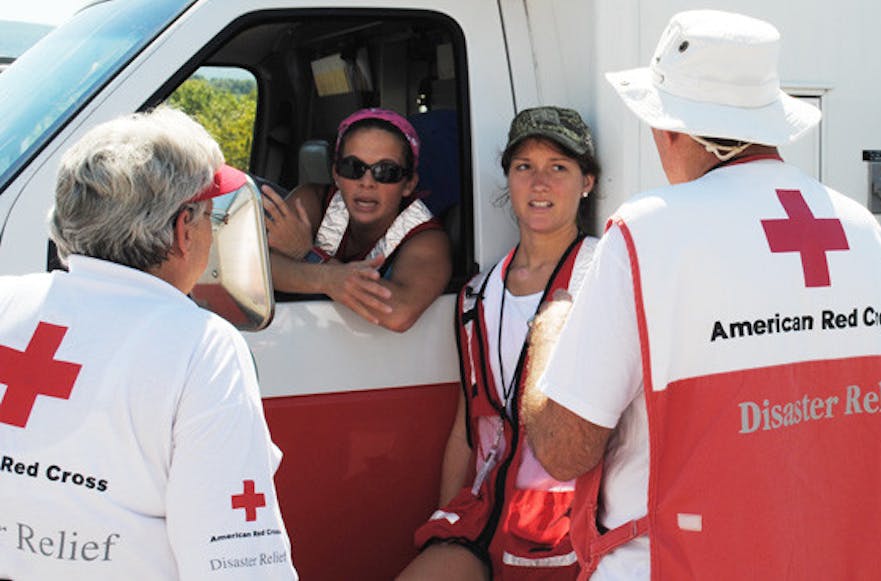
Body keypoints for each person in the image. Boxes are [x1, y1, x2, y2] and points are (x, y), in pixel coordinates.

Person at [521, 10, 881, 580]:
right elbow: (869, 408)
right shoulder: (862, 230)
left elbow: (563, 448)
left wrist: (552, 327)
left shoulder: (648, 231)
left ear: (671, 128)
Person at [0, 108, 297, 579]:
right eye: (209, 218)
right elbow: (234, 561)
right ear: (183, 230)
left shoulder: (6, 300)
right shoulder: (200, 346)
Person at [398, 107, 600, 580]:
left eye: (559, 168)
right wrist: (447, 519)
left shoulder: (603, 277)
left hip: (567, 528)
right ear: (508, 178)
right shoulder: (478, 293)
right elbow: (466, 429)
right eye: (524, 167)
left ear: (586, 182)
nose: (540, 183)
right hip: (486, 516)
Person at [263, 107, 452, 331]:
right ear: (336, 174)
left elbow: (397, 313)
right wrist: (328, 279)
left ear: (409, 183)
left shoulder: (426, 239)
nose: (367, 182)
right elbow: (258, 267)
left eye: (386, 171)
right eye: (353, 167)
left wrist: (308, 255)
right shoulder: (312, 201)